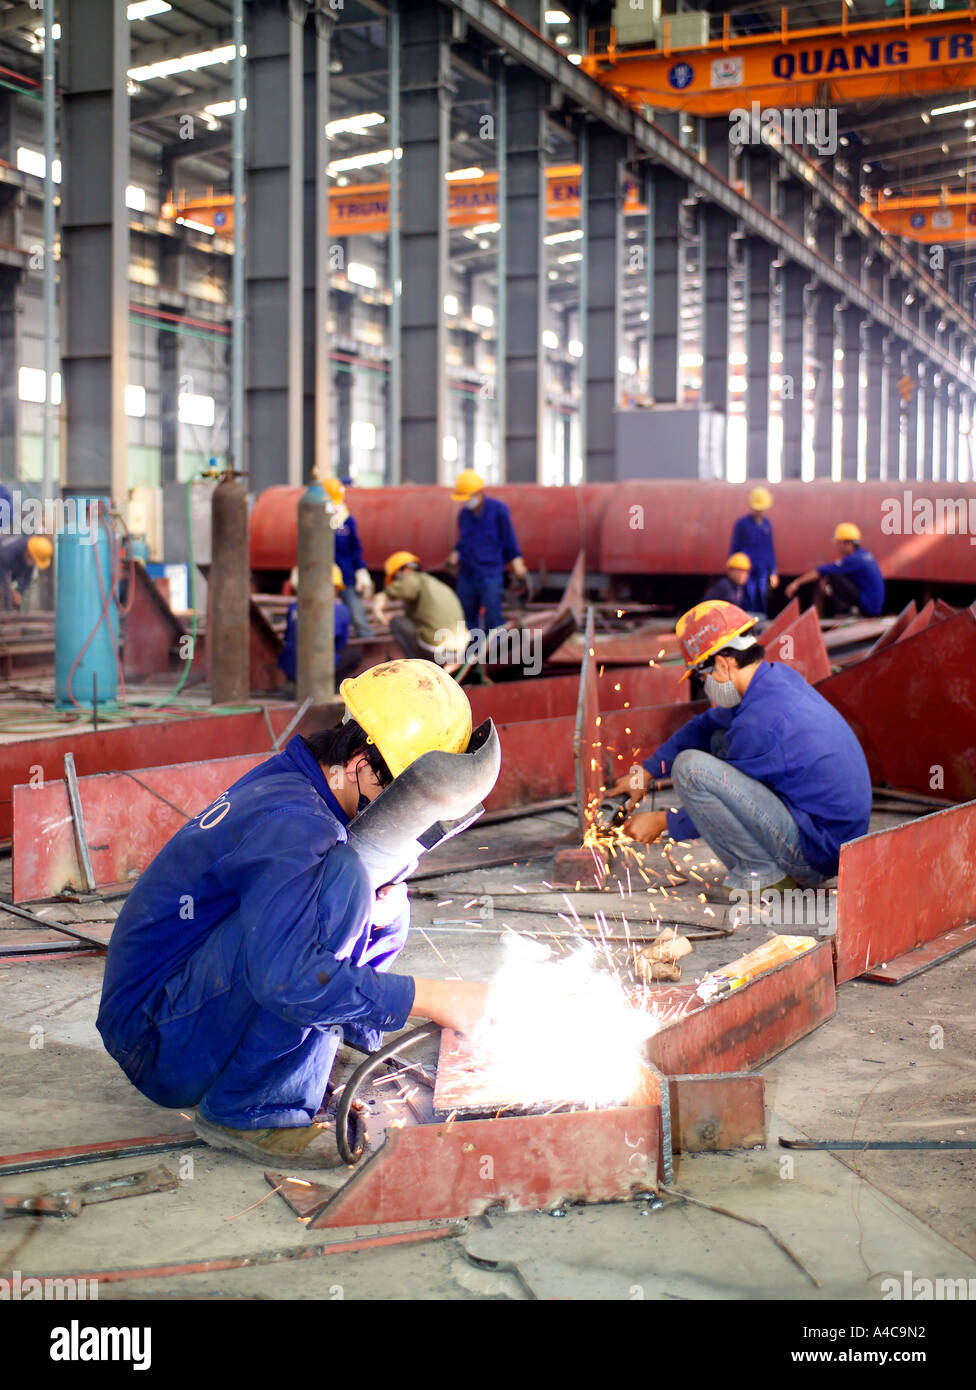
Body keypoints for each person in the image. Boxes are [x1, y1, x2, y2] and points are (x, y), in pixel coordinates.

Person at [96, 660, 494, 1169]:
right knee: (346, 880)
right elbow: (287, 980)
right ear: (358, 764)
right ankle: (252, 1109)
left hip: (181, 1009)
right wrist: (436, 997)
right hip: (155, 1041)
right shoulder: (295, 822)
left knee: (378, 890)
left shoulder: (307, 784)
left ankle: (314, 1050)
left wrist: (380, 915)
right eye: (399, 793)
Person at [609, 600, 871, 902]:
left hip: (816, 854)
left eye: (701, 676)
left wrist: (663, 822)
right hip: (834, 837)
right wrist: (646, 772)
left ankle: (762, 874)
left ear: (722, 663)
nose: (704, 684)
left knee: (690, 769)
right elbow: (705, 726)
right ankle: (769, 865)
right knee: (719, 737)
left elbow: (724, 802)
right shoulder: (773, 680)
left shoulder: (759, 725)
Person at [448, 470, 527, 635]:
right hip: (467, 575)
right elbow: (464, 541)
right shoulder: (464, 514)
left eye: (467, 498)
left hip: (490, 574)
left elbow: (509, 540)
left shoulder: (499, 510)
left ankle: (496, 655)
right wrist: (455, 553)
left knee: (493, 618)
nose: (466, 502)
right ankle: (472, 655)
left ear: (478, 493)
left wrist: (517, 563)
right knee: (466, 619)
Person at [374, 551, 469, 666]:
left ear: (404, 570)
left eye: (395, 578)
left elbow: (395, 591)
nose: (396, 582)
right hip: (459, 649)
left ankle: (417, 666)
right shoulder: (436, 584)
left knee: (396, 622)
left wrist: (380, 601)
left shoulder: (413, 579)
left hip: (437, 650)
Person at [278, 564, 358, 686]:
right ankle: (332, 686)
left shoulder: (294, 606)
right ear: (334, 587)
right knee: (355, 654)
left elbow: (288, 636)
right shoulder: (340, 610)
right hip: (320, 670)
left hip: (291, 667)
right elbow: (340, 642)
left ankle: (293, 683)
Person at [784, 523, 885, 618]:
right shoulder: (864, 555)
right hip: (873, 606)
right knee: (833, 574)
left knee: (833, 575)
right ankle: (849, 610)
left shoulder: (853, 560)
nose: (837, 547)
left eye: (838, 543)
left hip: (868, 607)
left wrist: (797, 583)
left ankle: (844, 612)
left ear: (848, 543)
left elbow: (821, 571)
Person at [323, 476, 374, 638]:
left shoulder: (347, 521)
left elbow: (355, 547)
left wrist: (361, 570)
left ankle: (367, 643)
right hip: (323, 580)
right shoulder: (317, 520)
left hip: (346, 578)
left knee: (357, 616)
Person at [729, 487, 779, 615]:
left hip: (762, 570)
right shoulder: (742, 524)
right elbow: (734, 547)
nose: (759, 511)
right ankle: (746, 623)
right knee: (746, 597)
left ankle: (760, 624)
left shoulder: (767, 525)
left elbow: (770, 549)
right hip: (745, 570)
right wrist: (733, 568)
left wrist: (773, 572)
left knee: (761, 596)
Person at [0, 534, 52, 610]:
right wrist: (11, 592)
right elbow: (2, 578)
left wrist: (19, 592)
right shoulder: (8, 553)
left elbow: (27, 576)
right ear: (29, 554)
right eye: (35, 561)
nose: (34, 563)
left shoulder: (29, 552)